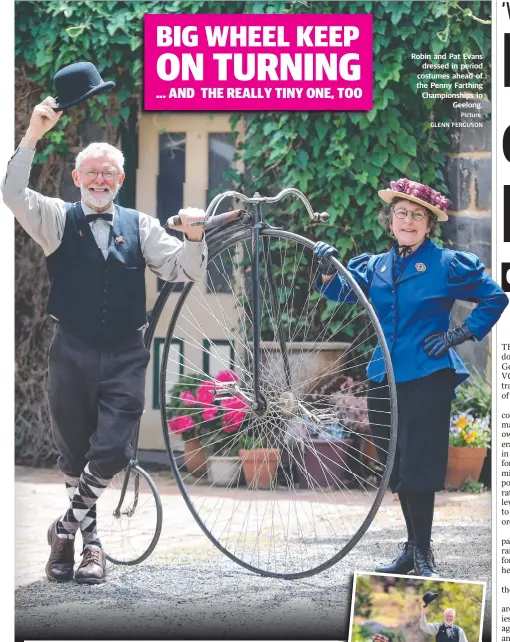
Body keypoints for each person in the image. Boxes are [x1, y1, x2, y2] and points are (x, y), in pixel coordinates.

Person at [2, 97, 208, 584]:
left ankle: (65, 530)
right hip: (69, 350)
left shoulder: (141, 226)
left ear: (120, 181)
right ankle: (90, 546)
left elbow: (181, 271)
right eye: (91, 173)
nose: (99, 181)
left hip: (124, 352)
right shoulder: (54, 218)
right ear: (77, 179)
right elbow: (11, 192)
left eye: (108, 174)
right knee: (75, 454)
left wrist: (196, 237)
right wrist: (33, 133)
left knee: (112, 449)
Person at [314, 177, 508, 577]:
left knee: (419, 467)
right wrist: (326, 269)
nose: (408, 220)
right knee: (398, 467)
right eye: (401, 213)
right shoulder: (375, 267)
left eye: (417, 215)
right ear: (390, 221)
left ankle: (423, 555)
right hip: (383, 378)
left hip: (427, 376)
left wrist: (458, 334)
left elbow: (496, 297)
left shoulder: (446, 264)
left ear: (428, 223)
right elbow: (338, 293)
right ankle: (410, 550)